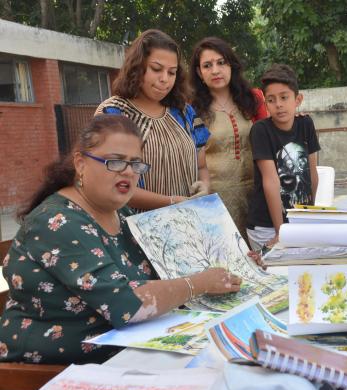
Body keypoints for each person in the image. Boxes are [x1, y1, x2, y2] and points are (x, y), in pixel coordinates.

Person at [0, 115, 241, 364]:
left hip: (126, 354)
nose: (128, 171)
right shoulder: (58, 221)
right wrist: (200, 283)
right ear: (81, 164)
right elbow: (126, 304)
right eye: (115, 162)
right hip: (51, 372)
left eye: (135, 163)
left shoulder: (118, 212)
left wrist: (232, 265)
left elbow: (161, 273)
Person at [96, 29, 210, 210]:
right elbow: (112, 181)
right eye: (156, 69)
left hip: (188, 223)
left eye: (172, 72)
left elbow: (202, 166)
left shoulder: (184, 112)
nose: (164, 79)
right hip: (136, 226)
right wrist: (171, 202)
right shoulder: (115, 112)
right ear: (137, 67)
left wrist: (204, 186)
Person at [190, 37, 268, 235]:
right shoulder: (192, 109)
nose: (215, 70)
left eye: (221, 62)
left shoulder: (253, 99)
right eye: (207, 65)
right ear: (199, 72)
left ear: (231, 65)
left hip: (258, 195)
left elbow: (270, 138)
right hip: (216, 199)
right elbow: (196, 159)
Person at [246, 64, 320, 251]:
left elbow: (312, 174)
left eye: (284, 97)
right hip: (267, 226)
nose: (278, 104)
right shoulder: (261, 131)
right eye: (271, 100)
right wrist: (280, 232)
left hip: (297, 222)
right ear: (266, 104)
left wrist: (308, 216)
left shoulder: (306, 124)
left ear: (298, 99)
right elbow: (271, 181)